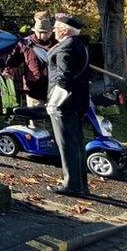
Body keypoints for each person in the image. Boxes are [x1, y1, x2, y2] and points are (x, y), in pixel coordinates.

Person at [46, 14, 90, 197]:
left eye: (56, 28)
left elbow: (64, 79)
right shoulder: (79, 44)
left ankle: (72, 184)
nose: (54, 31)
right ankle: (80, 184)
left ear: (64, 30)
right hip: (78, 102)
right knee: (77, 143)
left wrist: (53, 103)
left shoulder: (66, 47)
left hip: (65, 103)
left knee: (67, 145)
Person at [4, 12, 55, 108]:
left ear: (51, 31)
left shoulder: (58, 44)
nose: (43, 35)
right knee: (36, 119)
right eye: (40, 32)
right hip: (34, 89)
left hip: (54, 89)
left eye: (46, 32)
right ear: (35, 31)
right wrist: (9, 74)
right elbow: (12, 62)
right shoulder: (25, 43)